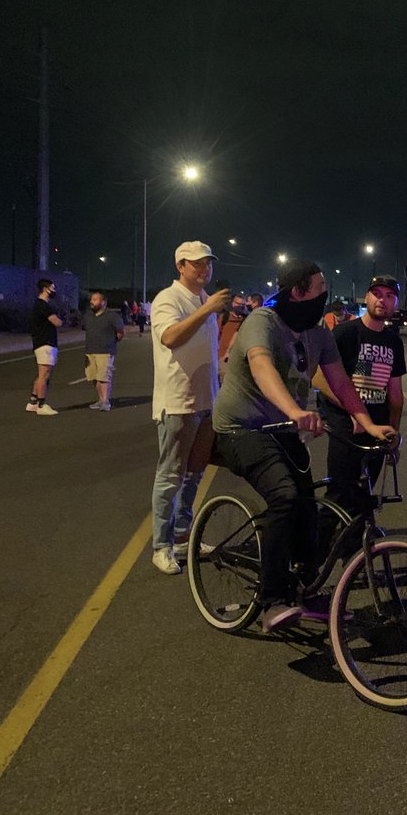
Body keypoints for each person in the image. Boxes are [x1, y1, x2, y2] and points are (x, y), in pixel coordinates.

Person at [214, 259, 394, 634]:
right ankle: (273, 598)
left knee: (308, 506)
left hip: (283, 429)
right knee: (284, 497)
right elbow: (262, 368)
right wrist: (296, 410)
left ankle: (306, 589)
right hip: (240, 428)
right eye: (320, 287)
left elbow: (341, 383)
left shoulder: (317, 332)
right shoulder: (262, 321)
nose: (325, 295)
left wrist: (369, 424)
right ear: (298, 291)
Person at [149, 241, 231, 576]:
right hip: (178, 401)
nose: (204, 268)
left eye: (207, 263)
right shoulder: (168, 299)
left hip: (206, 400)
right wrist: (206, 310)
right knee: (170, 475)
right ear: (180, 266)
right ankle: (161, 546)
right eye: (197, 263)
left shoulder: (202, 301)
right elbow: (170, 337)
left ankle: (183, 536)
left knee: (195, 474)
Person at [313, 275, 406, 514]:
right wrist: (354, 411)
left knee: (365, 497)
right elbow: (318, 378)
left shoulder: (393, 342)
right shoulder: (345, 333)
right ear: (367, 296)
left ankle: (356, 549)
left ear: (396, 303)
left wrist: (394, 432)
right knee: (339, 495)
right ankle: (322, 548)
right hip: (346, 427)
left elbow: (395, 393)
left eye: (389, 296)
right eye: (377, 294)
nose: (382, 300)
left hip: (377, 428)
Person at [83, 290, 124, 411]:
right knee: (94, 377)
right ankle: (100, 400)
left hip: (105, 351)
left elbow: (121, 333)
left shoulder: (112, 316)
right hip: (90, 351)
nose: (92, 301)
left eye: (95, 299)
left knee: (104, 377)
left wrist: (111, 342)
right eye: (91, 299)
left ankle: (105, 402)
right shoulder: (88, 315)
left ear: (103, 302)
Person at [26, 278, 62, 416]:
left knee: (42, 373)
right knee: (44, 375)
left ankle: (32, 402)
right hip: (45, 342)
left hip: (42, 342)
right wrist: (60, 320)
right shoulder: (43, 306)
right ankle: (41, 404)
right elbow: (56, 322)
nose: (54, 291)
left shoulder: (38, 305)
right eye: (52, 288)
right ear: (45, 288)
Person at [217, 292, 249, 378]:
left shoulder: (246, 320)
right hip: (224, 358)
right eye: (239, 304)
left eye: (243, 305)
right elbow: (216, 336)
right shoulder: (225, 317)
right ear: (233, 303)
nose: (241, 307)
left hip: (239, 359)